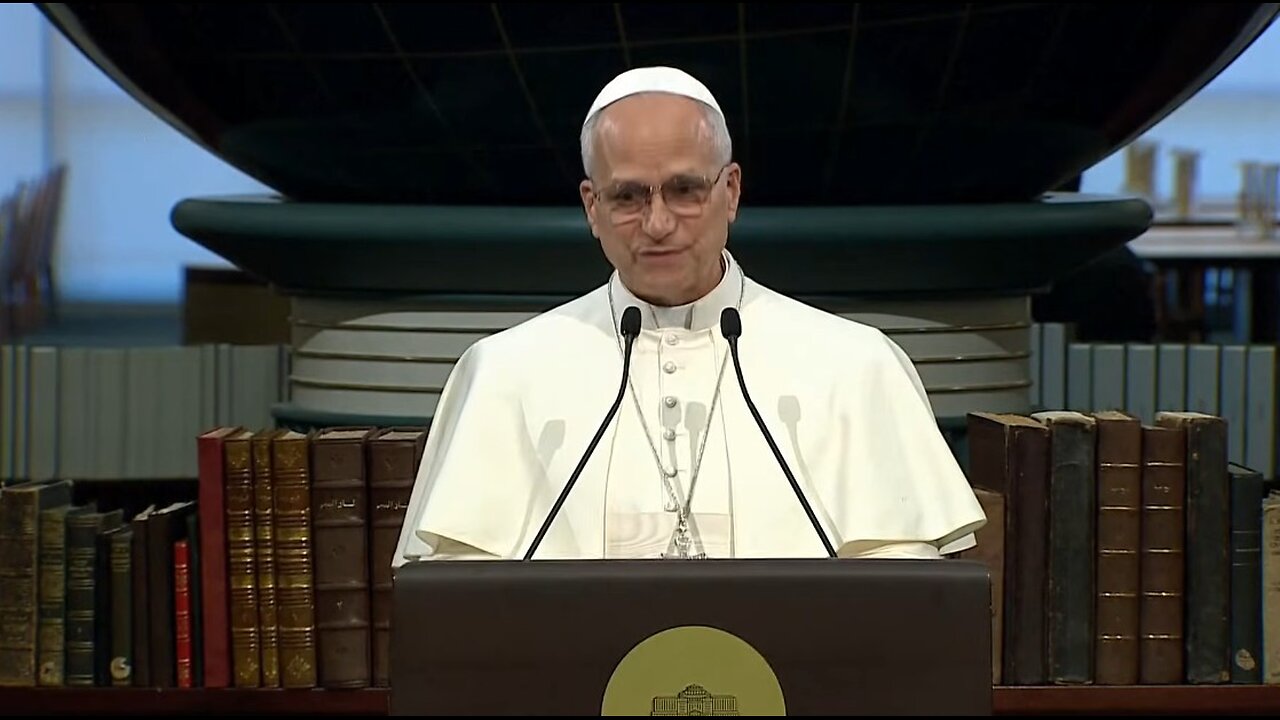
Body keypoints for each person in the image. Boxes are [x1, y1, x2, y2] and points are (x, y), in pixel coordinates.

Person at [392, 66, 986, 565]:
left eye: (684, 190)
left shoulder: (856, 365)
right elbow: (460, 618)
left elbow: (905, 612)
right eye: (628, 197)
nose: (657, 223)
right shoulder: (504, 373)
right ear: (591, 207)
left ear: (730, 191)